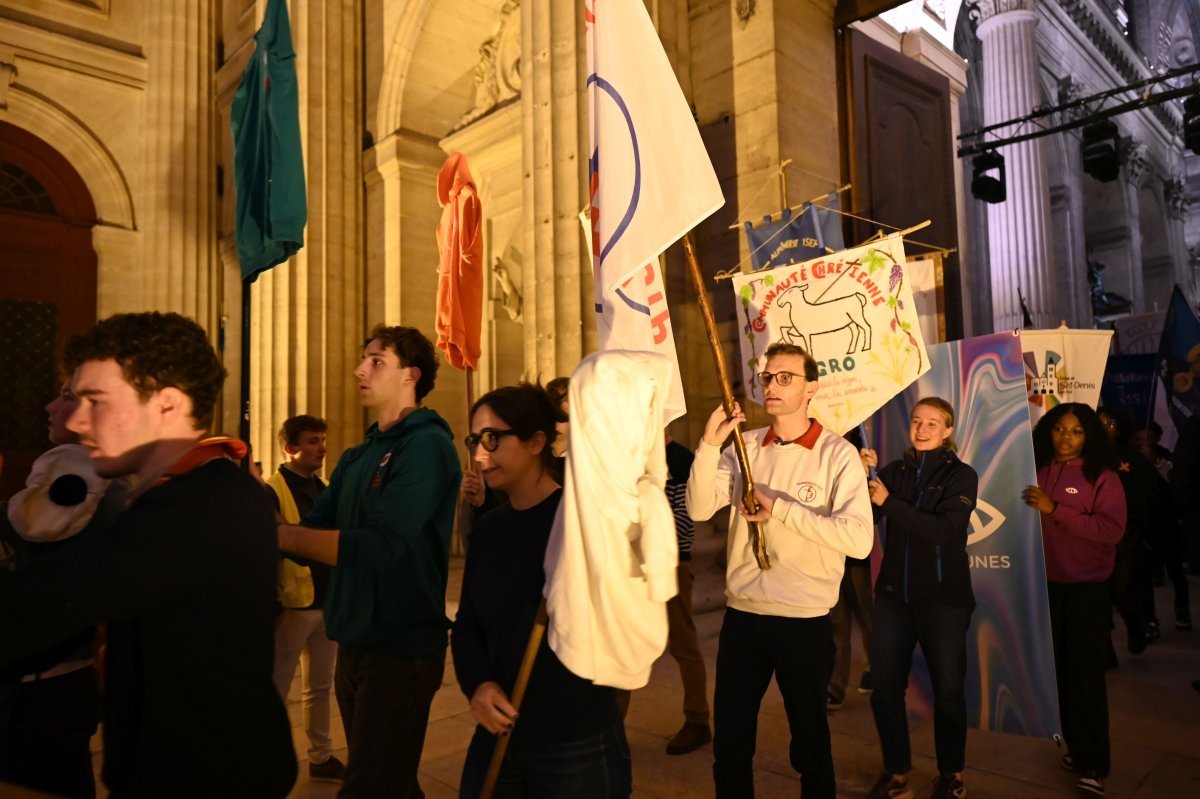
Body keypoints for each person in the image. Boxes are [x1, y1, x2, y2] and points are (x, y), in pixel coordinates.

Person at [0, 312, 297, 797]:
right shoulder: (211, 491)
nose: (75, 419)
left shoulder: (199, 507)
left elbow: (37, 605)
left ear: (166, 404)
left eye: (95, 400)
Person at [277, 324, 462, 799]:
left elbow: (383, 544)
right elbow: (315, 526)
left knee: (369, 785)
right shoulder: (358, 456)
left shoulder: (427, 445)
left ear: (410, 375)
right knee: (386, 778)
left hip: (401, 646)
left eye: (377, 360)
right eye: (364, 359)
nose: (360, 368)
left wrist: (279, 534)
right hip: (354, 638)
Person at [687, 341, 873, 799]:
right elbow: (698, 506)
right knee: (730, 746)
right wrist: (710, 446)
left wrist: (782, 510)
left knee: (810, 748)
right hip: (744, 618)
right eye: (768, 376)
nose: (772, 384)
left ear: (811, 388)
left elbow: (859, 539)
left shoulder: (837, 454)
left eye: (785, 377)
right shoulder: (746, 447)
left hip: (804, 622)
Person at [452, 383, 630, 798]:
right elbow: (468, 626)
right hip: (498, 733)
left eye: (494, 439)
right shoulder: (489, 528)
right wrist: (478, 684)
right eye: (475, 440)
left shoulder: (582, 521)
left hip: (574, 742)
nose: (480, 454)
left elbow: (621, 629)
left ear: (536, 441)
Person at [0, 382, 126, 798]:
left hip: (42, 687)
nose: (49, 406)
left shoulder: (77, 465)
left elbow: (37, 526)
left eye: (68, 396)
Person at [861, 398, 978, 799]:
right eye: (916, 421)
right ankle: (896, 772)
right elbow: (865, 521)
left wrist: (888, 502)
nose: (922, 428)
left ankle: (952, 776)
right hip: (894, 599)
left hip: (944, 602)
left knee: (948, 694)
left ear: (948, 431)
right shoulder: (894, 471)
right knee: (885, 690)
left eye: (933, 423)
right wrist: (862, 479)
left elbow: (945, 530)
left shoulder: (962, 476)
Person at [1023, 402, 1126, 798]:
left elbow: (1110, 529)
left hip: (1086, 590)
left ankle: (1094, 764)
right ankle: (1077, 749)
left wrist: (1055, 509)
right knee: (1059, 675)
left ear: (1090, 436)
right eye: (1059, 429)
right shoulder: (1038, 469)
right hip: (1045, 588)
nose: (1066, 438)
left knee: (1086, 679)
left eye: (1077, 431)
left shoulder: (1103, 475)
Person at [268, 414, 346, 783]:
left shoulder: (325, 486)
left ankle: (321, 755)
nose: (322, 448)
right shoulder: (272, 490)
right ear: (290, 447)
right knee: (276, 687)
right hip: (293, 605)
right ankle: (266, 759)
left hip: (326, 602)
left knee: (319, 685)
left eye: (322, 440)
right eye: (313, 441)